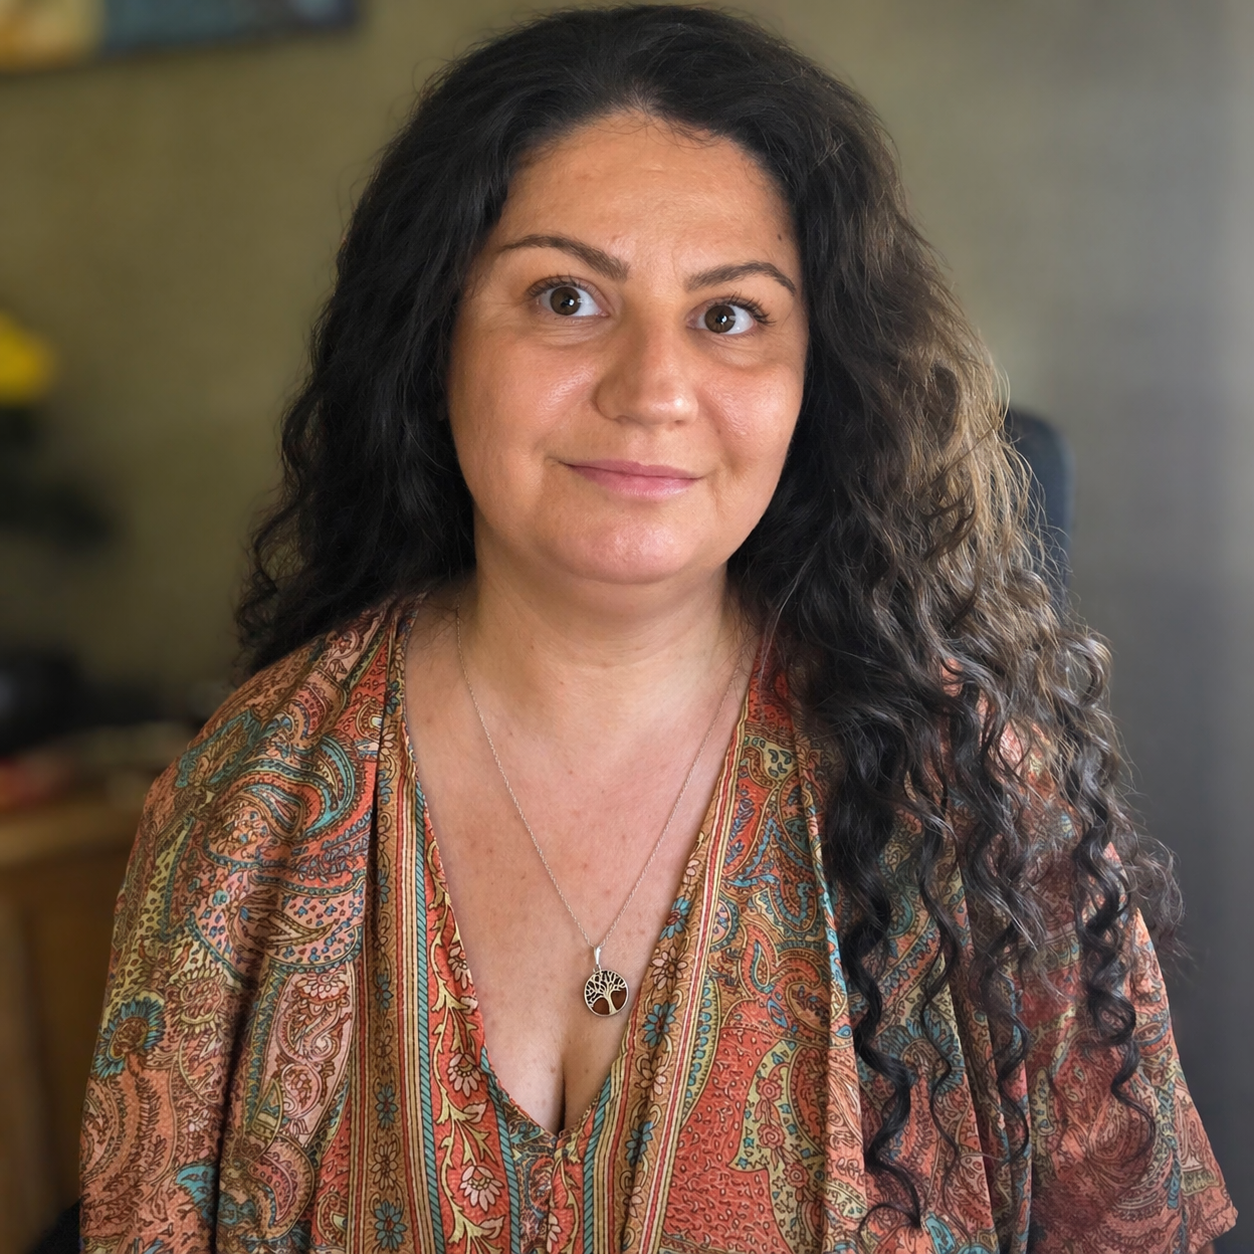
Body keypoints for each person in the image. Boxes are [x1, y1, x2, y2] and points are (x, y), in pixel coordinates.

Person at [79, 7, 1235, 1252]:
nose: (652, 388)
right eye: (566, 296)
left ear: (816, 377)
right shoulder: (249, 796)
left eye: (731, 315)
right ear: (435, 337)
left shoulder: (966, 795)